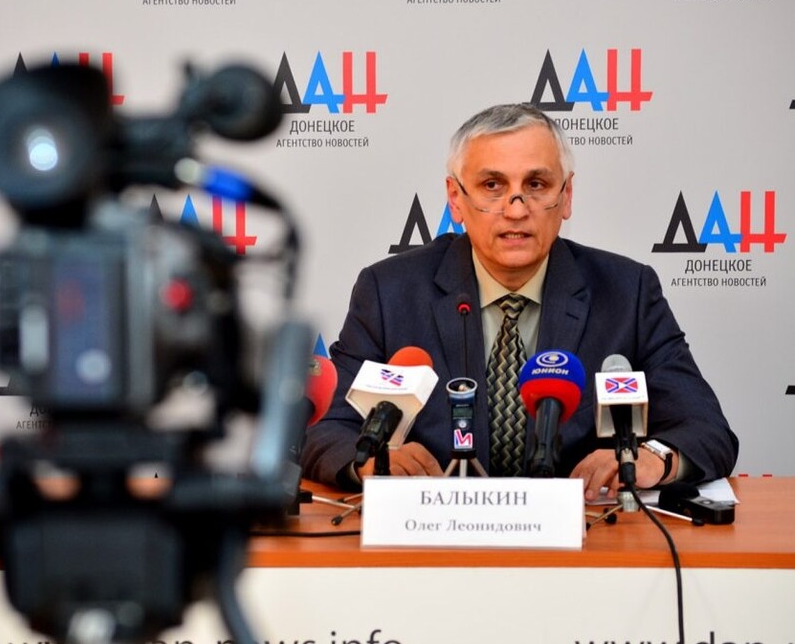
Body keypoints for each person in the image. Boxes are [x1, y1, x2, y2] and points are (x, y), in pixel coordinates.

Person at [301, 103, 739, 500]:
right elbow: (325, 428)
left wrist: (651, 458)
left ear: (566, 196)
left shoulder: (627, 292)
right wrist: (371, 463)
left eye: (536, 184)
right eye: (493, 185)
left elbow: (706, 429)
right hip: (434, 544)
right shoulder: (390, 292)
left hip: (586, 550)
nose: (516, 209)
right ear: (456, 199)